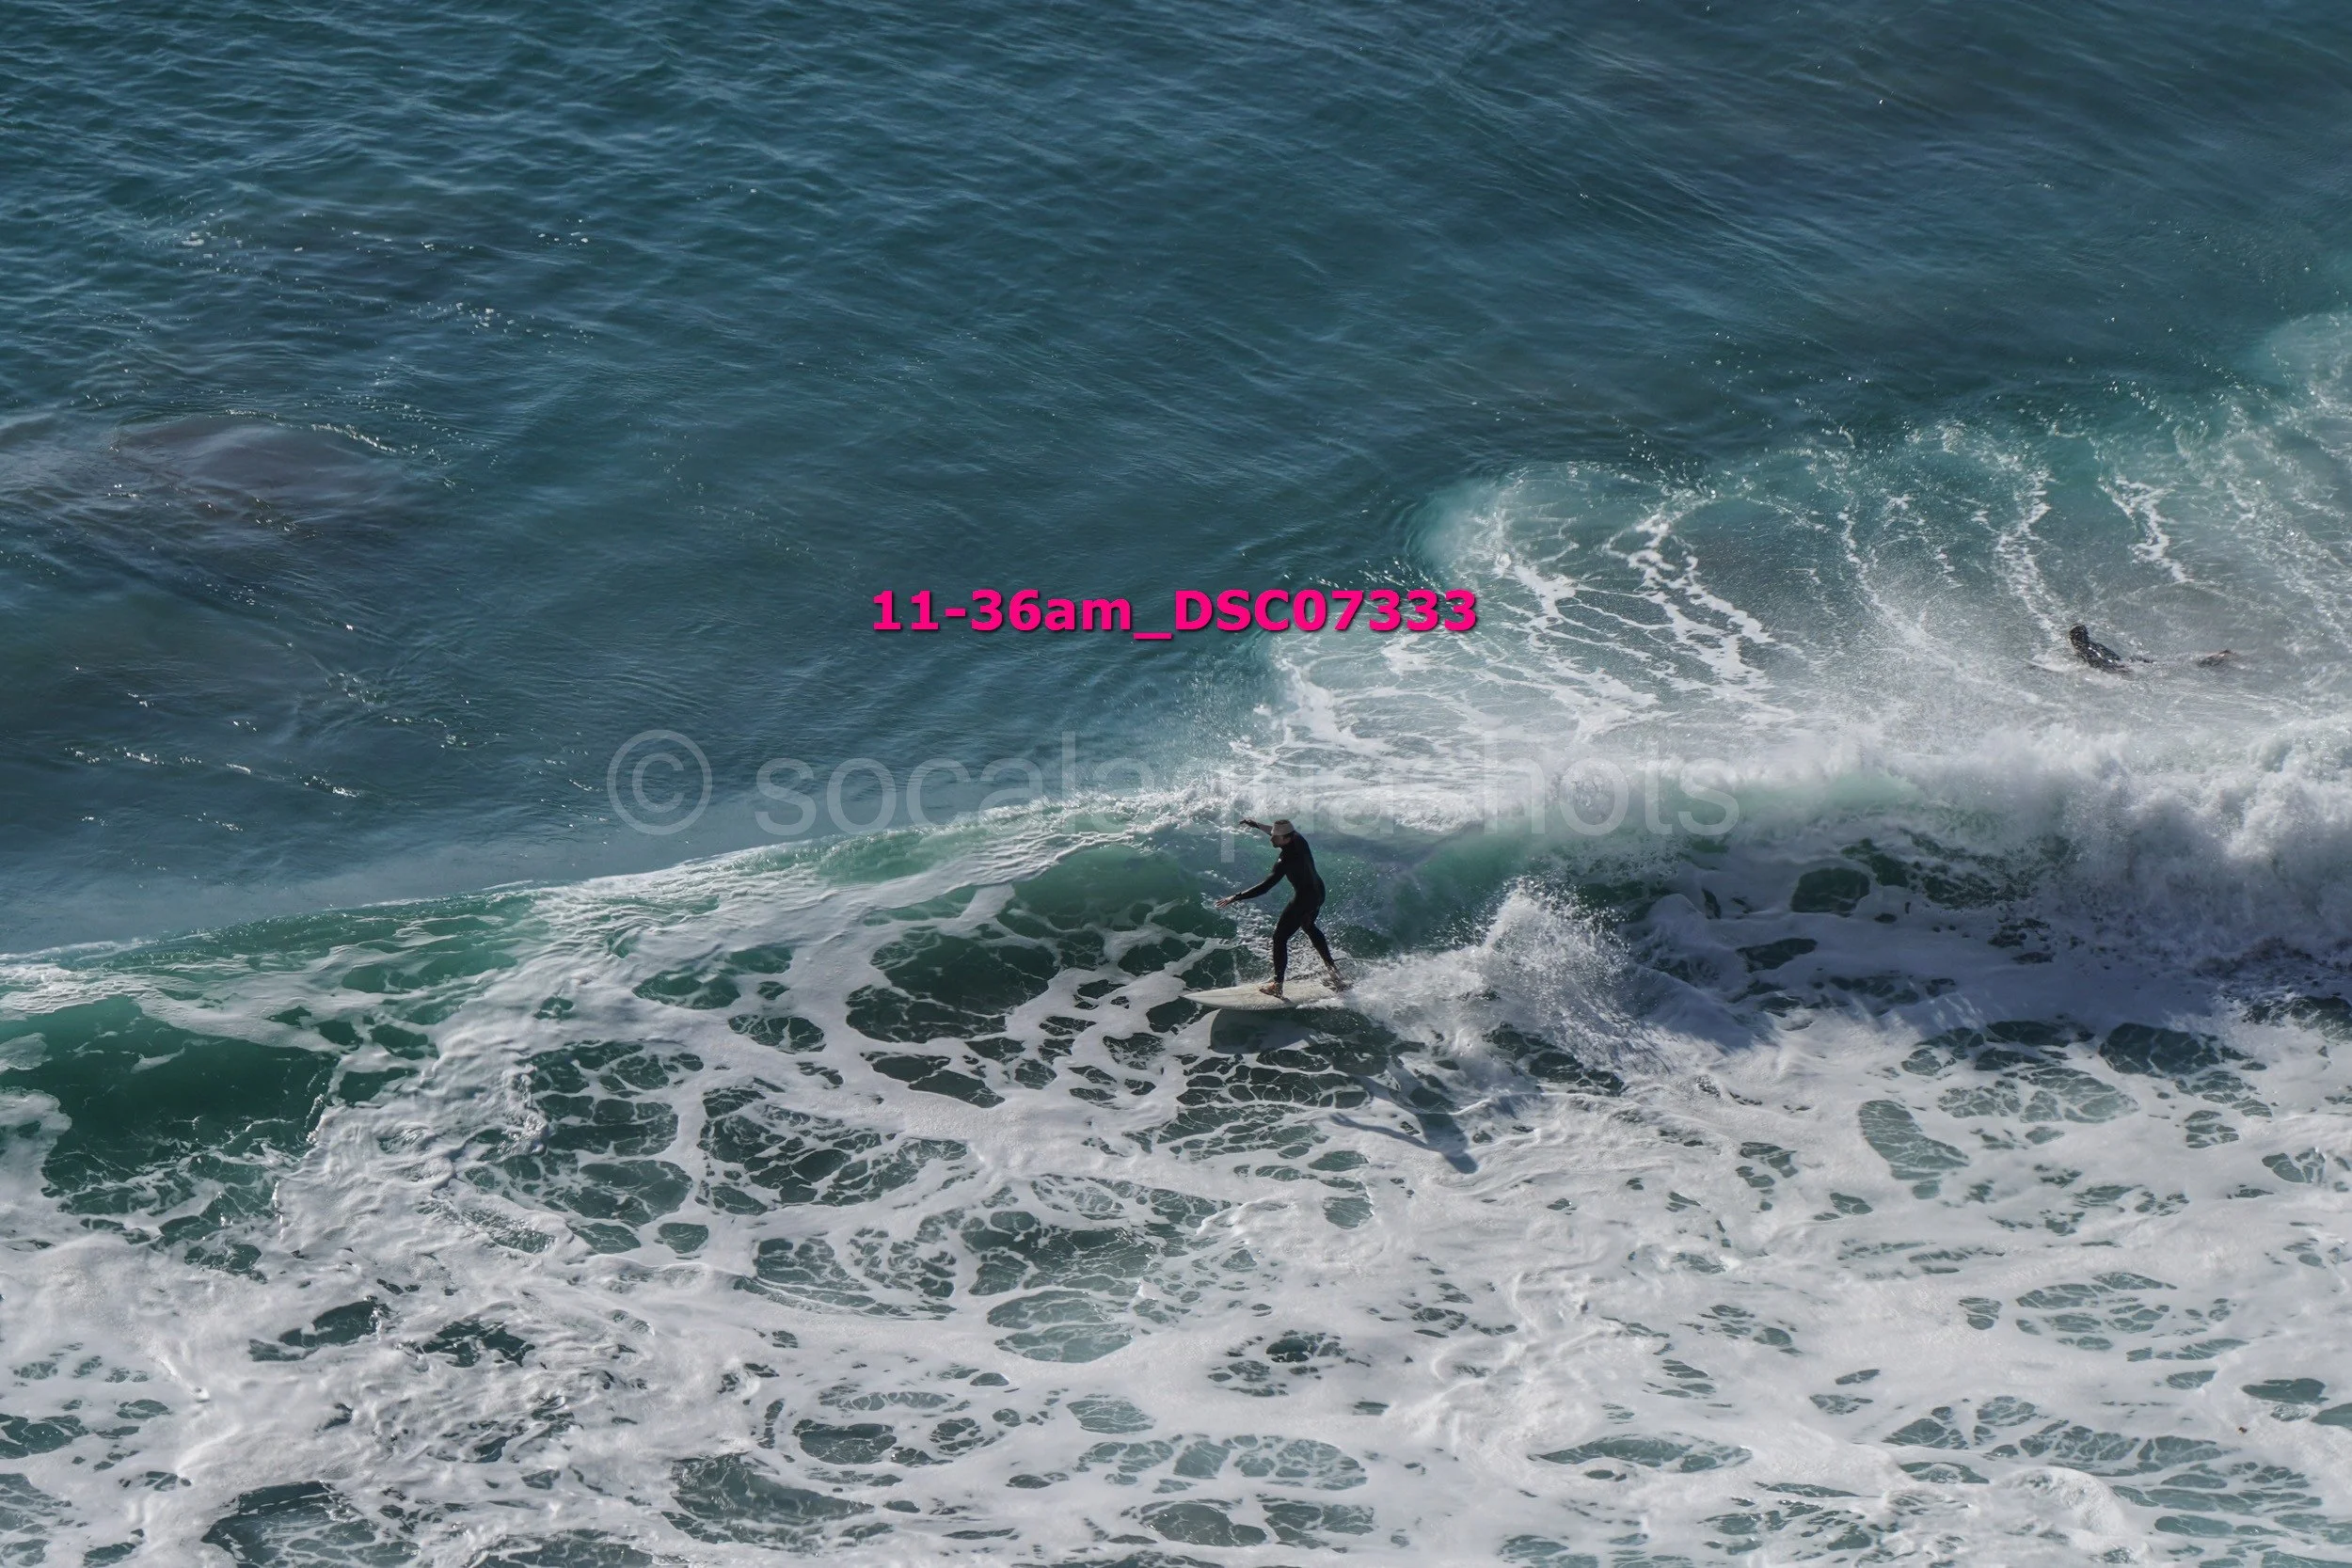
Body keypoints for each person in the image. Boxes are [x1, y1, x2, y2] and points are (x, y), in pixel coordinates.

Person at [1216, 817, 1344, 997]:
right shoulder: (1298, 838)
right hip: (1318, 893)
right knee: (1308, 926)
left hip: (1304, 899)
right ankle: (1334, 972)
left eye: (1276, 837)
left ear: (1286, 839)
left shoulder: (1285, 860)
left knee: (1279, 938)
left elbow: (1265, 886)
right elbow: (1273, 830)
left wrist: (1236, 897)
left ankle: (1277, 986)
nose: (1271, 839)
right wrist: (1256, 825)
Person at [2068, 623, 2233, 673]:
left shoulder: (2086, 651)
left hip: (2127, 665)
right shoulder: (2092, 647)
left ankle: (2216, 659)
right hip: (2129, 661)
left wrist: (2122, 669)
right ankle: (2216, 657)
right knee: (2172, 662)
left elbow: (2106, 664)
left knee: (2175, 665)